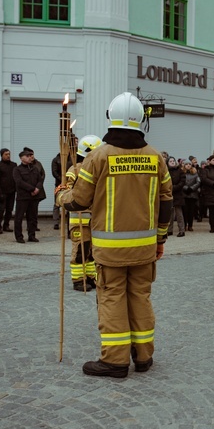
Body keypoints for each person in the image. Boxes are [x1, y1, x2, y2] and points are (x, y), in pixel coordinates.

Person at [56, 91, 172, 378]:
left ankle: (115, 360)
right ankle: (144, 357)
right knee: (141, 298)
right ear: (141, 121)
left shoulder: (98, 157)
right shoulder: (155, 157)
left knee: (112, 298)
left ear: (111, 118)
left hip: (109, 250)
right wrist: (160, 240)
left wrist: (61, 196)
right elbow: (167, 203)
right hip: (145, 248)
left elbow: (80, 200)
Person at [63, 135, 103, 290]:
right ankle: (79, 279)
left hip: (95, 218)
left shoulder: (99, 169)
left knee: (92, 251)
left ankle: (91, 277)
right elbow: (68, 191)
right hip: (79, 219)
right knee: (80, 250)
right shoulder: (74, 169)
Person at [12, 149, 43, 243]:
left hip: (34, 197)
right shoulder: (17, 169)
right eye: (27, 156)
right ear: (21, 158)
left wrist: (37, 188)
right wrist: (32, 189)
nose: (30, 158)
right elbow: (19, 182)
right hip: (23, 197)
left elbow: (40, 179)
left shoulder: (34, 168)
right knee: (19, 217)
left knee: (33, 217)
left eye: (30, 156)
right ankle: (19, 236)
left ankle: (32, 235)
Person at [0, 148, 17, 234]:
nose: (8, 156)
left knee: (9, 209)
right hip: (2, 191)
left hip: (12, 191)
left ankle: (6, 225)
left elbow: (16, 177)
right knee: (1, 209)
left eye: (9, 154)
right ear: (2, 155)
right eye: (6, 154)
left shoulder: (14, 165)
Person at [167, 156, 186, 237]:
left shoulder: (180, 171)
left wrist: (175, 187)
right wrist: (169, 188)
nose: (172, 162)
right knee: (170, 214)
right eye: (170, 161)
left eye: (173, 161)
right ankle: (169, 230)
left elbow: (182, 181)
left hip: (178, 194)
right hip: (169, 194)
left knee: (179, 214)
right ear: (167, 163)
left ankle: (182, 230)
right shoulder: (166, 171)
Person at [182, 160, 200, 232]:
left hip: (192, 194)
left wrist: (192, 188)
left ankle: (190, 225)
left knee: (191, 211)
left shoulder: (195, 174)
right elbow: (180, 182)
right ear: (184, 166)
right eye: (187, 164)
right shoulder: (182, 173)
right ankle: (184, 225)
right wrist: (186, 188)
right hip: (184, 195)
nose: (188, 165)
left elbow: (198, 182)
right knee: (184, 211)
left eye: (189, 164)